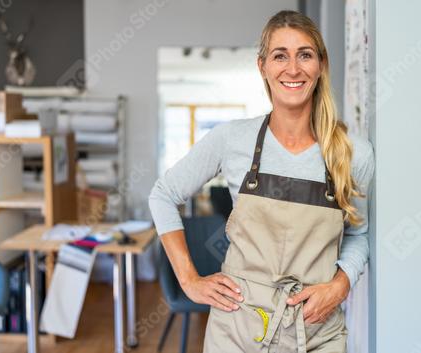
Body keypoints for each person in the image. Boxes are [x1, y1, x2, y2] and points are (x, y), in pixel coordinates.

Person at [148, 9, 375, 353]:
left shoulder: (353, 153)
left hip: (317, 332)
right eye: (280, 56)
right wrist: (189, 280)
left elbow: (358, 234)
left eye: (305, 55)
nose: (293, 68)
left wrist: (341, 284)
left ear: (321, 65)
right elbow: (163, 194)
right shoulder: (232, 139)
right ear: (263, 67)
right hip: (236, 330)